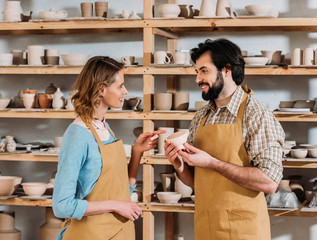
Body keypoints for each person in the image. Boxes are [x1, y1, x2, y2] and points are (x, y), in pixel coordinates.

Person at [164, 39, 285, 239]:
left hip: (244, 231)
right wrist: (179, 165)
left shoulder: (256, 115)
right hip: (207, 227)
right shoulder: (201, 116)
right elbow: (196, 181)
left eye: (204, 71)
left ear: (226, 70)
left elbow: (269, 182)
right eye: (197, 72)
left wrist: (213, 163)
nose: (198, 79)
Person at [52, 56, 165, 239]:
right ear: (101, 88)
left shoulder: (105, 127)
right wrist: (115, 205)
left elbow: (123, 192)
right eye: (120, 85)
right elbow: (61, 205)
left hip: (119, 232)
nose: (125, 91)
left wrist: (136, 153)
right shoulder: (77, 134)